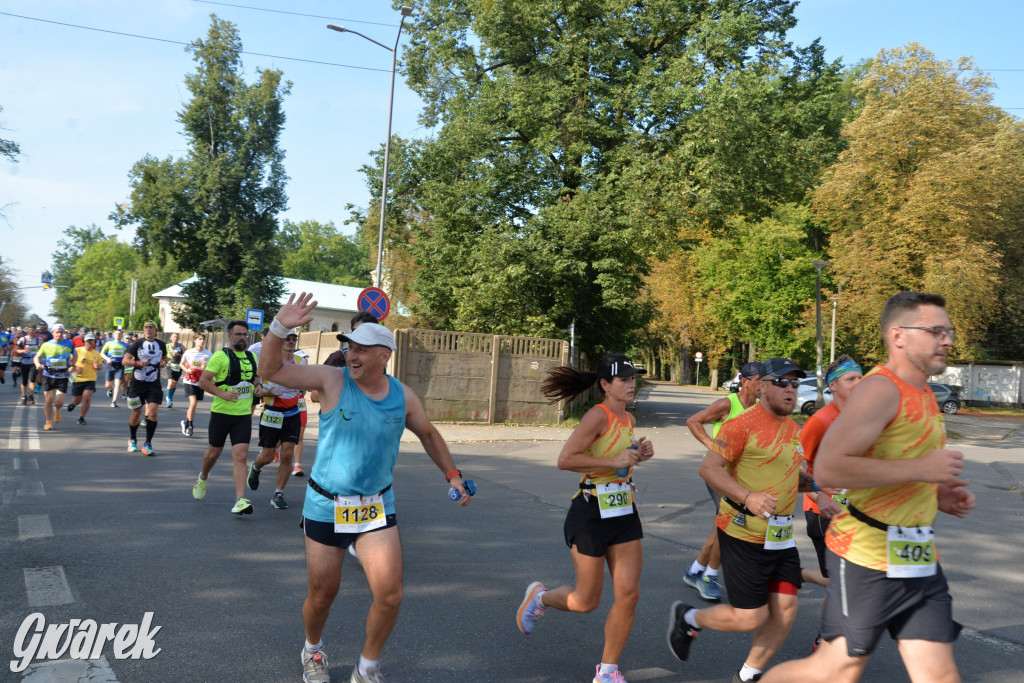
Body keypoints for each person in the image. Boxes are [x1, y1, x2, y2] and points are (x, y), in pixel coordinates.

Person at [760, 292, 976, 683]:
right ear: (899, 336)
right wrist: (921, 467)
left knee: (940, 676)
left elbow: (904, 470)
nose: (947, 339)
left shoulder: (924, 393)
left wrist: (938, 492)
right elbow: (828, 468)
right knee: (833, 671)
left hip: (916, 555)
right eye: (935, 331)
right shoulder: (880, 390)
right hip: (867, 556)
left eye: (949, 331)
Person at [261, 293, 472, 683]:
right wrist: (280, 326)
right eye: (350, 347)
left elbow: (427, 433)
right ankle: (312, 649)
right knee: (323, 594)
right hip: (326, 505)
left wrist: (453, 475)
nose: (351, 354)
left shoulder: (402, 396)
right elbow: (271, 370)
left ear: (384, 356)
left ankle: (367, 667)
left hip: (376, 506)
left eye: (361, 349)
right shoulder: (332, 380)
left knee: (390, 595)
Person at [667, 357, 814, 683]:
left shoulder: (793, 429)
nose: (790, 389)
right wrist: (749, 497)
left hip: (780, 536)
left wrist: (819, 486)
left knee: (786, 610)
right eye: (782, 382)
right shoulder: (741, 425)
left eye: (794, 383)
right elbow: (709, 469)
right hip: (742, 533)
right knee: (752, 618)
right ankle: (690, 618)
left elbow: (790, 476)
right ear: (760, 386)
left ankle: (748, 675)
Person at [517, 354, 654, 683]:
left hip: (623, 511)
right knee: (585, 601)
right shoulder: (597, 415)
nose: (631, 383)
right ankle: (540, 597)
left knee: (629, 595)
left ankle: (607, 672)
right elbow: (566, 460)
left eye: (633, 378)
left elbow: (620, 459)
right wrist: (614, 459)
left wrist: (638, 453)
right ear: (605, 385)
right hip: (591, 511)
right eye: (624, 379)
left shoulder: (629, 420)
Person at [683, 360, 764, 602]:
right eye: (758, 380)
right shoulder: (727, 404)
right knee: (730, 523)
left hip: (741, 477)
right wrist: (713, 446)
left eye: (765, 380)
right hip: (718, 473)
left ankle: (695, 570)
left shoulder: (760, 408)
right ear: (745, 381)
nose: (762, 384)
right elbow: (693, 421)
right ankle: (708, 576)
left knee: (724, 524)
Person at [799, 356, 863, 590]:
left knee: (847, 582)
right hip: (822, 512)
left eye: (860, 378)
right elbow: (794, 467)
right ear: (833, 386)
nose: (858, 383)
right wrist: (819, 495)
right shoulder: (819, 422)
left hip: (855, 511)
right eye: (851, 379)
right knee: (841, 583)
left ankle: (797, 574)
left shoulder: (864, 419)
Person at [192, 320, 260, 515]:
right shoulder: (220, 356)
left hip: (243, 415)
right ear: (229, 336)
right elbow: (204, 381)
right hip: (221, 413)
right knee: (214, 453)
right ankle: (202, 477)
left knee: (241, 457)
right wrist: (222, 394)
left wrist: (259, 386)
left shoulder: (251, 356)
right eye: (238, 334)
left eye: (245, 334)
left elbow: (255, 377)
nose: (242, 338)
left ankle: (240, 500)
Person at [246, 329, 304, 509]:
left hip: (293, 412)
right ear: (280, 341)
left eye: (294, 339)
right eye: (287, 338)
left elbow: (306, 384)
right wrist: (265, 392)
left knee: (287, 454)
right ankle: (255, 468)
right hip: (272, 412)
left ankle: (278, 493)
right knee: (268, 456)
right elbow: (256, 389)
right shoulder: (268, 361)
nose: (291, 341)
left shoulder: (301, 361)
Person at [122, 321, 168, 455]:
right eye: (146, 327)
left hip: (154, 383)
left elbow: (165, 357)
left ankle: (148, 443)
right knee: (136, 412)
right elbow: (125, 361)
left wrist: (164, 362)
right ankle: (132, 439)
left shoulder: (161, 344)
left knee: (153, 412)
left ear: (156, 331)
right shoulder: (137, 343)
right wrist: (137, 363)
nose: (148, 329)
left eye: (150, 327)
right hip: (138, 383)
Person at [34, 324, 75, 431]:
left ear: (64, 333)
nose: (59, 334)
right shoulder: (46, 345)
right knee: (49, 399)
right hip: (48, 374)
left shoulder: (69, 344)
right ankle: (48, 422)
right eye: (57, 332)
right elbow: (37, 357)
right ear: (52, 333)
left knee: (59, 401)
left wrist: (72, 365)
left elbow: (75, 355)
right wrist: (38, 364)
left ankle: (57, 411)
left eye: (61, 332)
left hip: (63, 375)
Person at [180, 332, 213, 437]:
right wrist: (187, 370)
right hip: (189, 380)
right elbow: (181, 363)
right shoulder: (189, 352)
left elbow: (212, 369)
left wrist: (206, 368)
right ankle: (189, 426)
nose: (201, 341)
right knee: (193, 403)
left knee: (193, 406)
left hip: (200, 382)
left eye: (203, 339)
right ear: (195, 340)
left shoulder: (208, 354)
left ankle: (186, 421)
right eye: (199, 339)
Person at [68, 333, 103, 424]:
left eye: (92, 341)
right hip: (78, 378)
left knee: (87, 398)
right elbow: (69, 361)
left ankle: (81, 417)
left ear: (94, 342)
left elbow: (100, 367)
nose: (90, 343)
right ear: (84, 341)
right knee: (77, 400)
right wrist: (75, 368)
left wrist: (97, 366)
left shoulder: (96, 353)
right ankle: (73, 404)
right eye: (88, 341)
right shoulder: (77, 350)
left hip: (90, 379)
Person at [101, 329, 129, 407]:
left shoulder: (126, 345)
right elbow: (102, 353)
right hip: (110, 365)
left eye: (120, 334)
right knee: (108, 385)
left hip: (120, 366)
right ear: (114, 335)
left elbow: (128, 356)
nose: (118, 335)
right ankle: (110, 389)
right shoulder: (108, 343)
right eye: (116, 333)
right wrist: (107, 359)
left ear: (122, 335)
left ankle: (114, 401)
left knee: (117, 384)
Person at [14, 324, 41, 404]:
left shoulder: (39, 340)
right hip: (24, 361)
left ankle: (31, 396)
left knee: (32, 379)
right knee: (24, 380)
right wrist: (23, 351)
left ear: (36, 330)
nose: (31, 331)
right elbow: (16, 350)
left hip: (34, 362)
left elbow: (41, 350)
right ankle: (24, 396)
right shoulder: (23, 339)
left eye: (33, 329)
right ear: (27, 330)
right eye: (30, 329)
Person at [165, 332, 185, 408]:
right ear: (171, 338)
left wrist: (178, 355)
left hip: (178, 366)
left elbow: (185, 356)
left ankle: (170, 396)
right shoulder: (167, 346)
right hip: (170, 365)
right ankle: (169, 400)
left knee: (175, 383)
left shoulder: (181, 346)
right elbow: (163, 355)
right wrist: (166, 359)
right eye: (174, 337)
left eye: (177, 337)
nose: (175, 338)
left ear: (178, 338)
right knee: (170, 383)